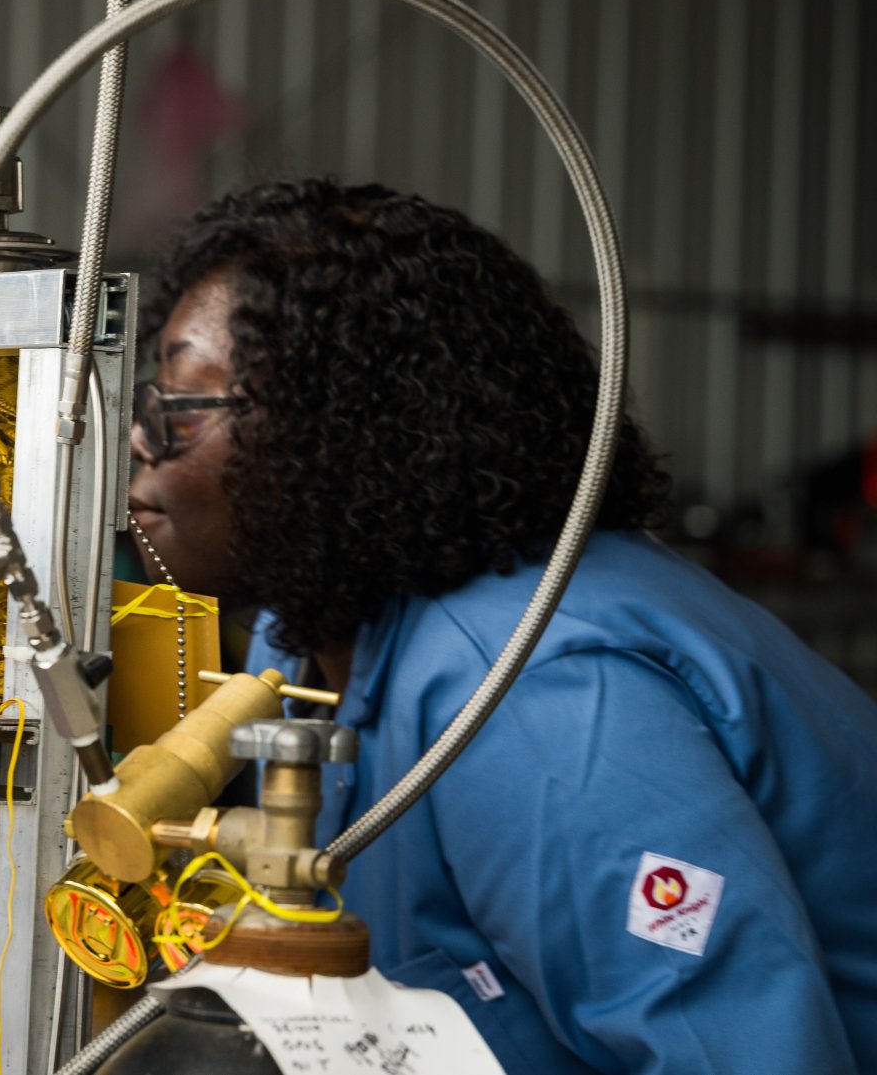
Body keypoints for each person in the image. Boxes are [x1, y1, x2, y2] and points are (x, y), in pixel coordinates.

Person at [125, 177, 877, 1072]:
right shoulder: (317, 639)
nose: (139, 441)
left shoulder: (534, 689)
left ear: (341, 429)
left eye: (180, 409)